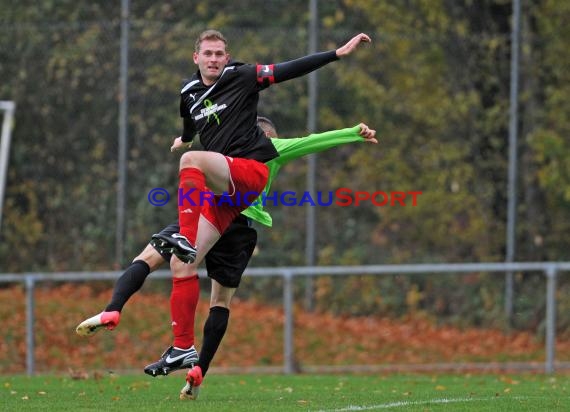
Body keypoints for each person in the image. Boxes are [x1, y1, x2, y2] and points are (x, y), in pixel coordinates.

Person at [76, 119, 377, 400]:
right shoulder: (273, 149)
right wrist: (352, 133)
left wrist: (185, 136)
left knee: (154, 258)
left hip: (214, 215)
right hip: (239, 228)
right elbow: (312, 141)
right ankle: (198, 370)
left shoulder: (240, 149)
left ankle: (114, 310)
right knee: (219, 300)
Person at [148, 28, 371, 396]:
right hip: (236, 218)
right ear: (197, 57)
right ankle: (190, 358)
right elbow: (191, 126)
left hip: (234, 218)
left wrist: (338, 60)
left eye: (220, 52)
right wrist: (185, 138)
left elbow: (308, 122)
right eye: (208, 53)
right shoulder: (194, 96)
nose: (214, 58)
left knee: (190, 273)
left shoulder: (268, 140)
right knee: (205, 287)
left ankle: (186, 352)